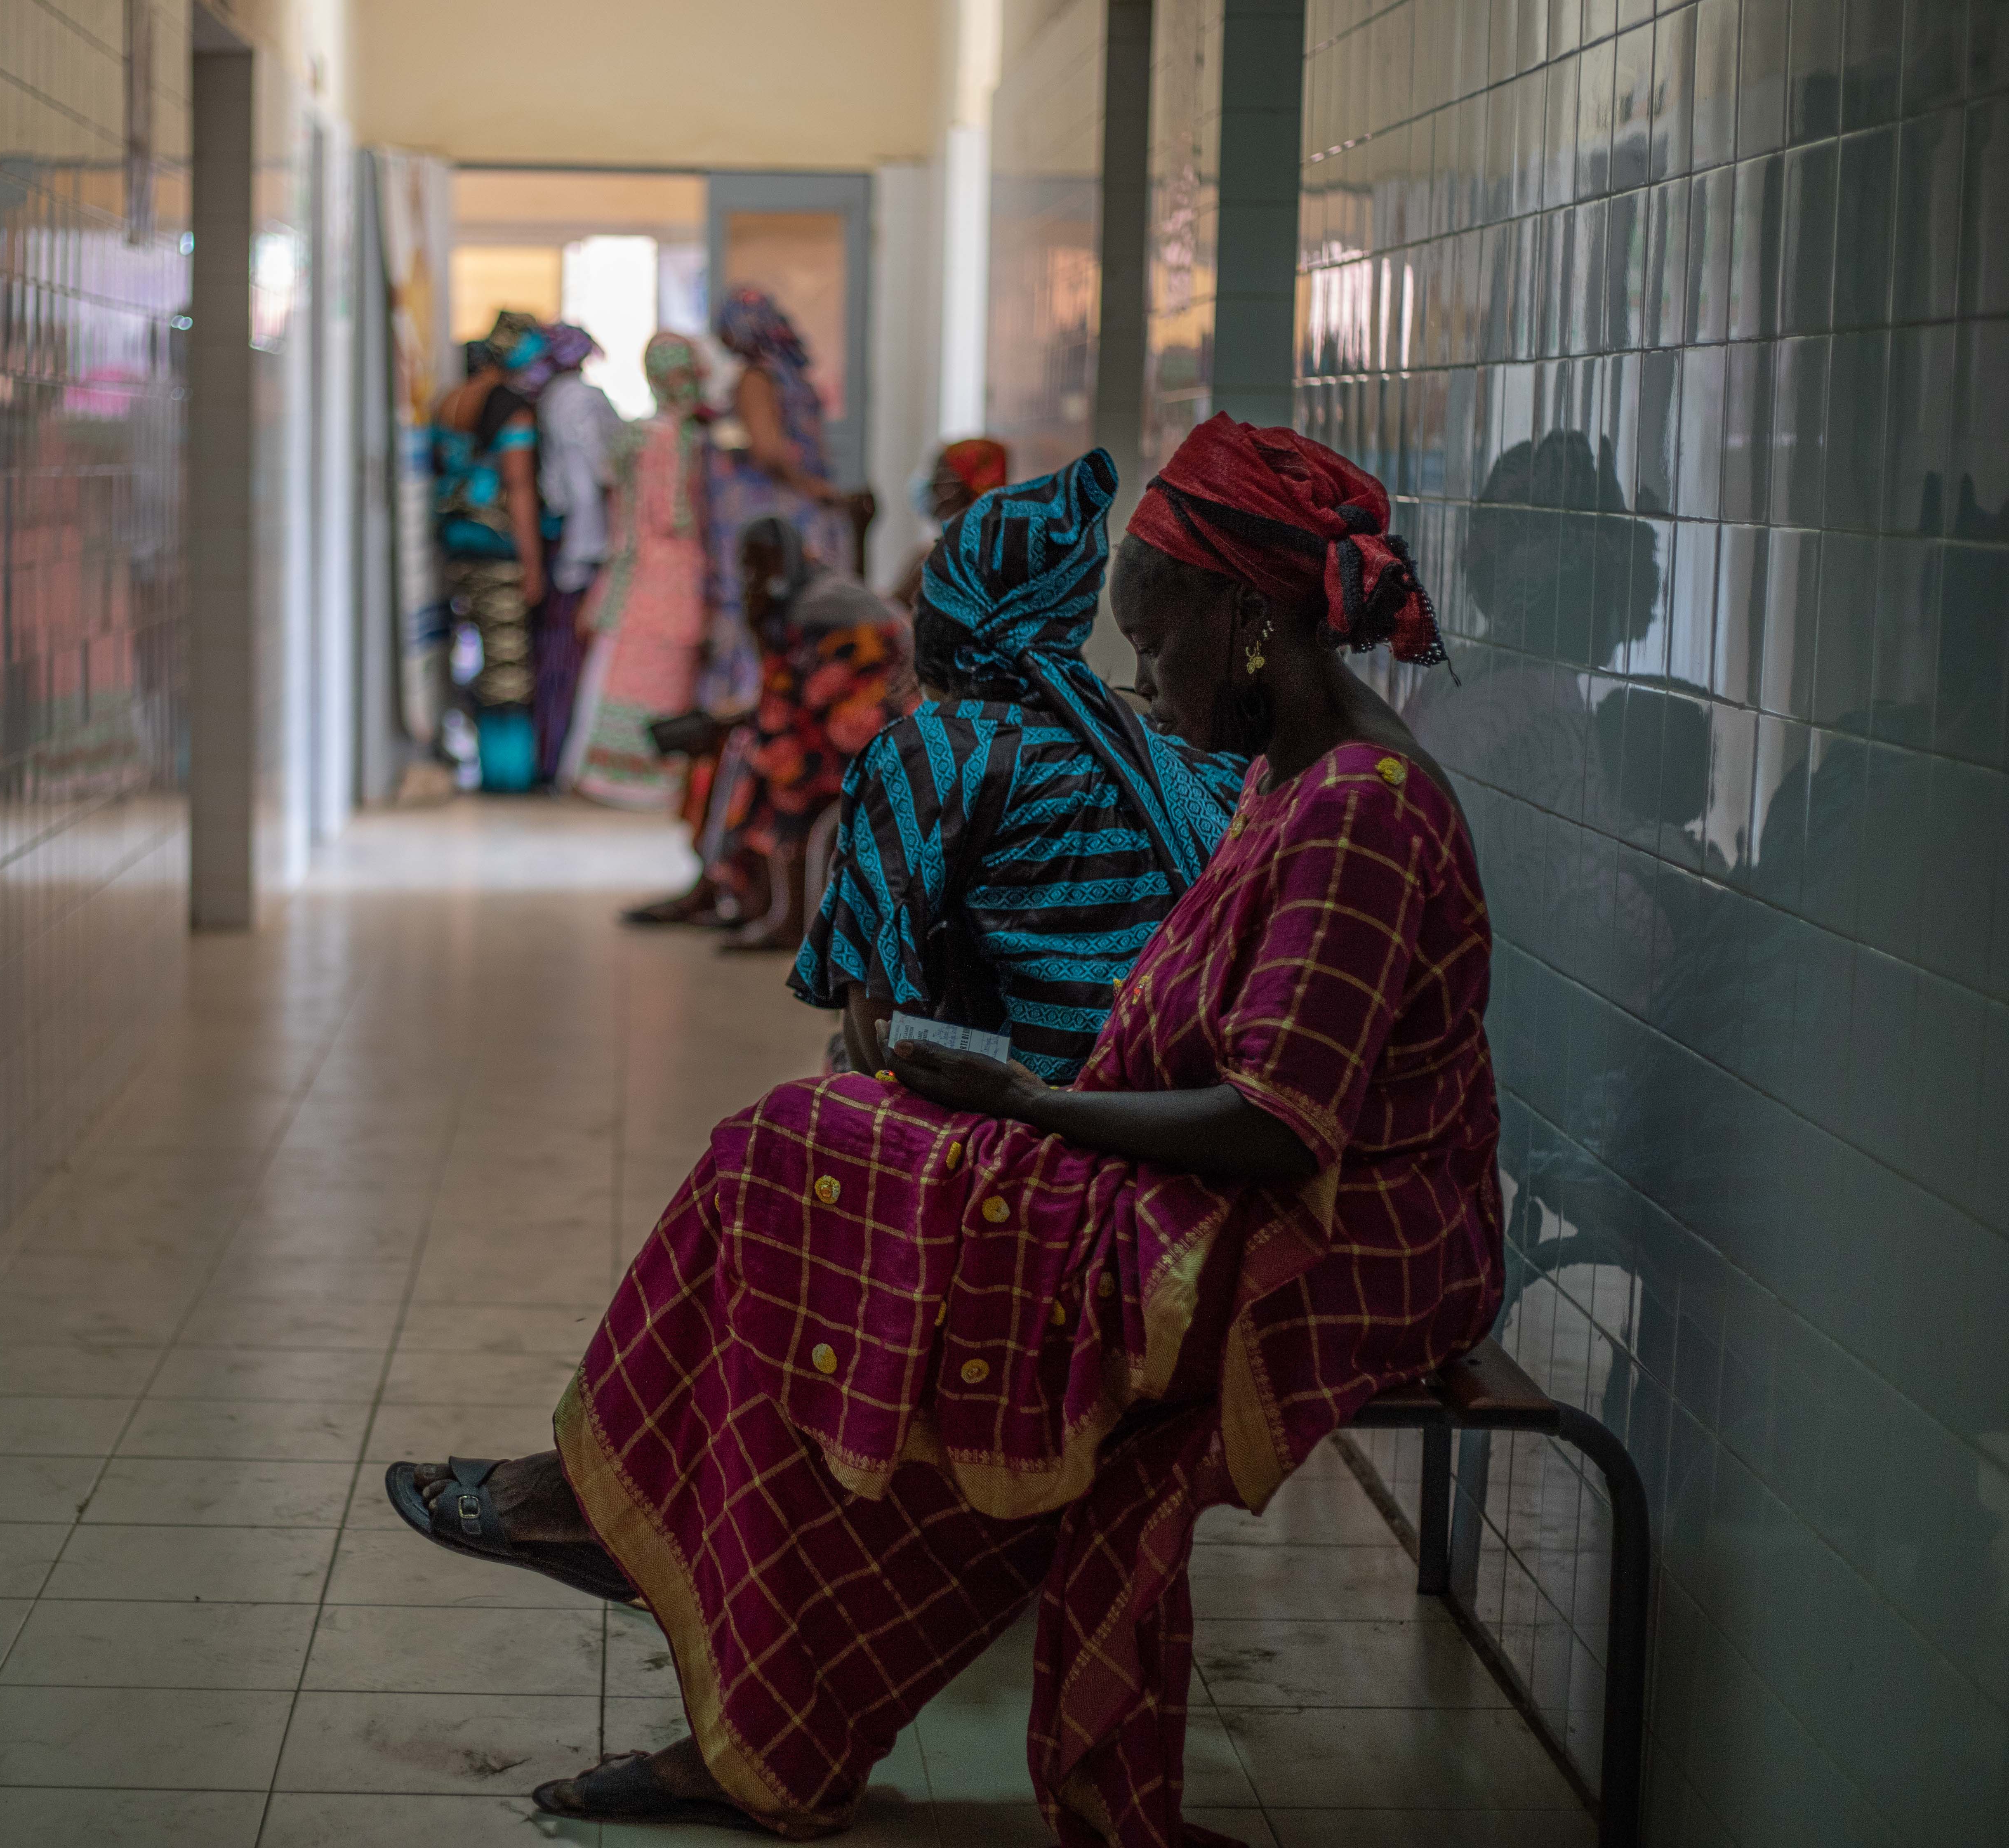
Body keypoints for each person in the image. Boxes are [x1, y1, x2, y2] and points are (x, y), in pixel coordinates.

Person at [386, 414, 1501, 1847]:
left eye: (1156, 651)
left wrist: (1030, 1106)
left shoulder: (1359, 810)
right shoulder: (1286, 772)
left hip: (1322, 1248)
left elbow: (1283, 1124)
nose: (1144, 687)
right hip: (1202, 1190)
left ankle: (657, 1585)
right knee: (790, 1180)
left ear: (1243, 621)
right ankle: (706, 1657)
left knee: (803, 1184)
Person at [793, 449, 1250, 1082]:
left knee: (830, 1074)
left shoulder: (935, 751)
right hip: (1159, 1096)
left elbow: (879, 1040)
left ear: (947, 609)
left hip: (1021, 1113)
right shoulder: (1156, 750)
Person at [709, 517, 914, 953]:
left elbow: (795, 695)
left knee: (776, 762)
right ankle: (758, 899)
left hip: (869, 734)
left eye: (759, 565)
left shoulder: (817, 610)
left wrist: (759, 619)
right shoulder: (814, 595)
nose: (752, 577)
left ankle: (777, 911)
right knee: (758, 750)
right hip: (859, 726)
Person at [563, 333, 714, 811]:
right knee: (656, 672)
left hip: (634, 575)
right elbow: (674, 517)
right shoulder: (684, 441)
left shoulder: (636, 437)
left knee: (629, 669)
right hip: (669, 579)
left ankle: (615, 775)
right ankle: (649, 779)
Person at [703, 287, 850, 709]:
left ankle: (755, 705)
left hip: (774, 506)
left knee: (761, 608)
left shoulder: (756, 376)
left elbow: (767, 448)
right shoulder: (792, 374)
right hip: (804, 507)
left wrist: (807, 485)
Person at [434, 312, 549, 790]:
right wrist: (533, 564)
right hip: (499, 550)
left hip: (453, 544)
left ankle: (476, 760)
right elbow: (519, 487)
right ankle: (507, 775)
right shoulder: (513, 409)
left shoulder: (451, 401)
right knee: (506, 669)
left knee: (464, 661)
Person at [524, 323, 622, 781]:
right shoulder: (582, 400)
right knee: (571, 651)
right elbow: (597, 471)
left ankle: (550, 755)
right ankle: (562, 760)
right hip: (582, 539)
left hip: (563, 534)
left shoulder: (548, 397)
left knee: (555, 651)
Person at [889, 435, 1011, 610]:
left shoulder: (950, 562)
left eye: (939, 474)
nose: (930, 485)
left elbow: (883, 624)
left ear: (967, 486)